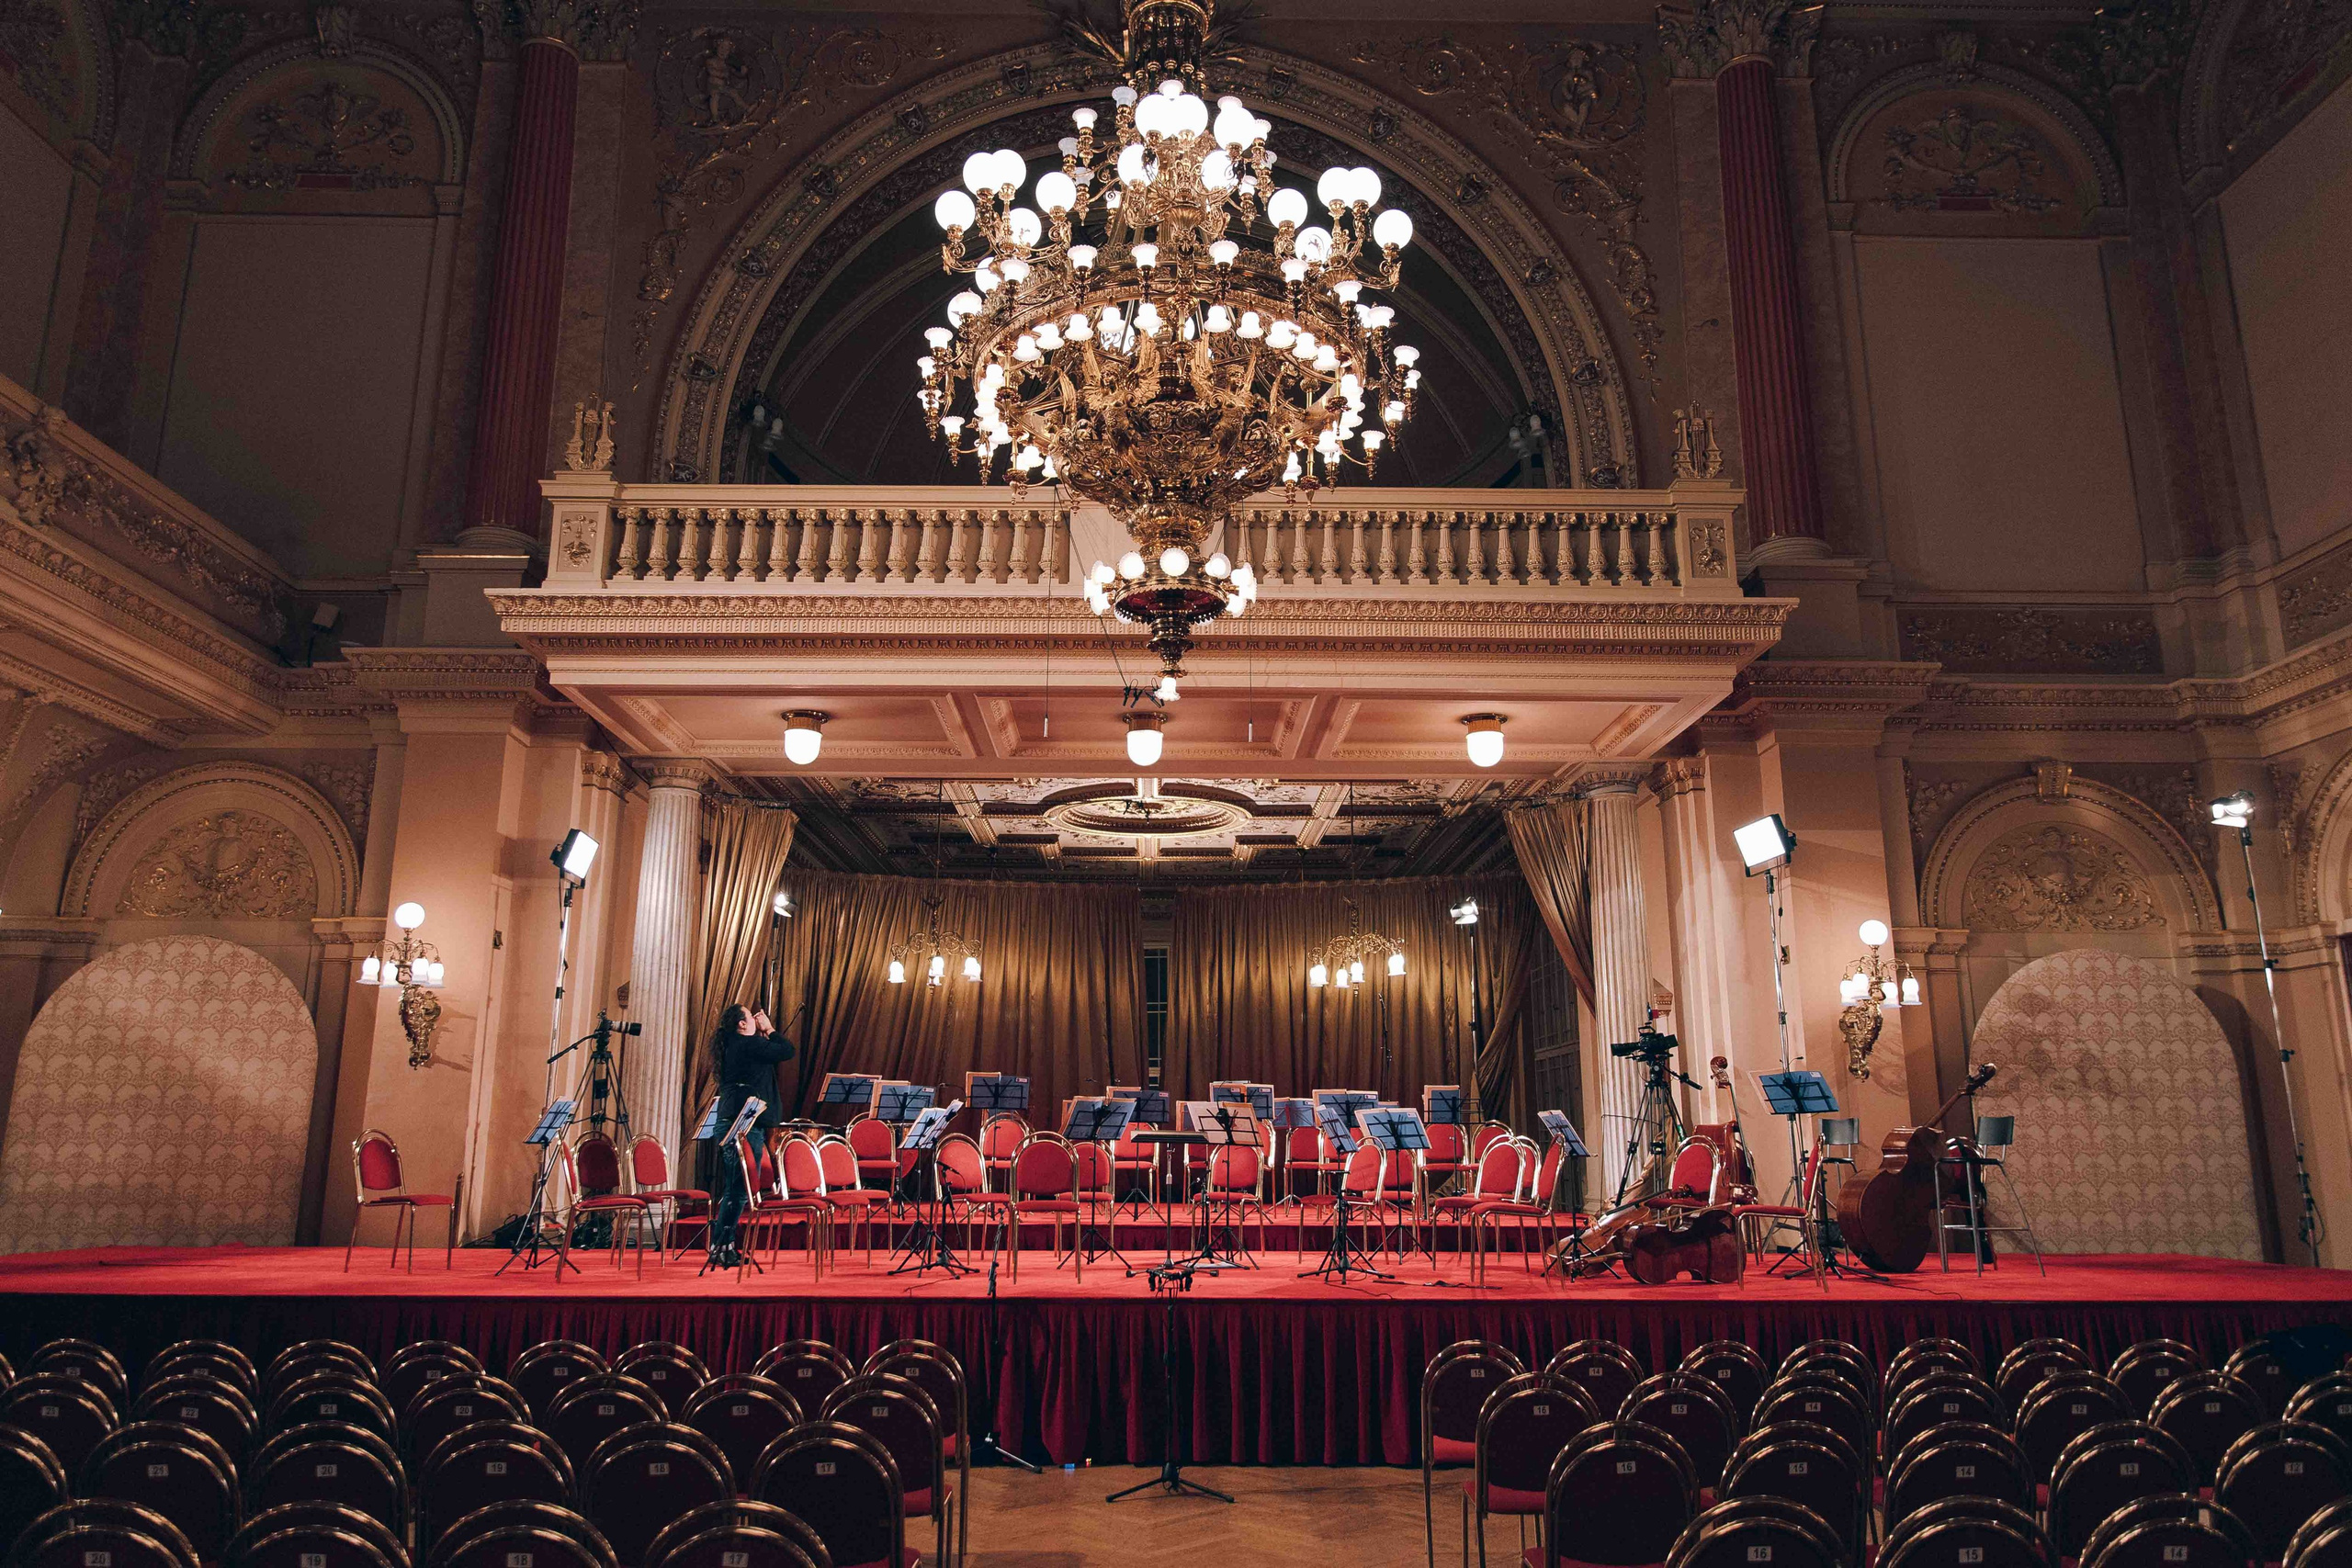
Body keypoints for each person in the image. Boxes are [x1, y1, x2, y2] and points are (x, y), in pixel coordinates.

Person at [707, 1002, 795, 1269]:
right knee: (737, 1190)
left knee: (736, 1188)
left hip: (734, 1121)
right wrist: (770, 1029)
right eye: (751, 1017)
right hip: (743, 1125)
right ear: (742, 1024)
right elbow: (787, 1050)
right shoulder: (748, 1044)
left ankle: (724, 1245)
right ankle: (721, 1246)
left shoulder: (734, 1045)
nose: (757, 1019)